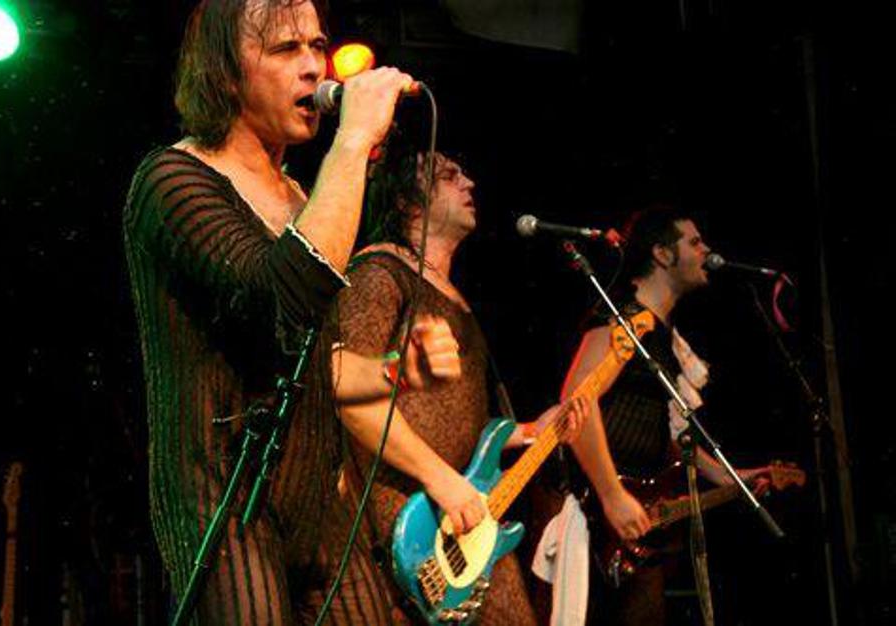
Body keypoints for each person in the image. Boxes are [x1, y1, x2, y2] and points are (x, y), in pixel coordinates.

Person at [122, 1, 430, 623]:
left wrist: (397, 368)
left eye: (317, 46)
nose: (315, 67)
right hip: (223, 501)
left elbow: (317, 360)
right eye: (286, 49)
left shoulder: (302, 197)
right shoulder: (172, 179)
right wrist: (352, 142)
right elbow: (279, 300)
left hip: (319, 505)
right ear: (225, 72)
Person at [297, 138, 587, 625]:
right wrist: (440, 479)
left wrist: (529, 432)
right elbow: (347, 394)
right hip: (409, 516)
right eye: (449, 175)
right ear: (406, 201)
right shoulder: (380, 271)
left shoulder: (451, 294)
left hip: (462, 515)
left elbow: (457, 423)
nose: (469, 183)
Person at [553, 204, 770, 626]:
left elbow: (658, 430)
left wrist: (730, 477)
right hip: (590, 508)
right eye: (694, 242)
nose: (706, 251)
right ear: (662, 254)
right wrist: (611, 495)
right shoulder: (623, 316)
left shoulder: (662, 332)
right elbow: (578, 401)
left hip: (634, 514)